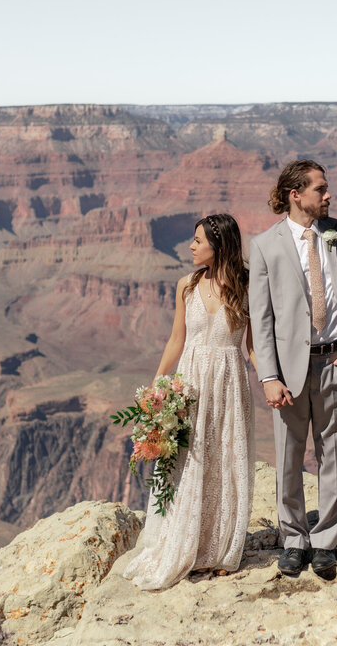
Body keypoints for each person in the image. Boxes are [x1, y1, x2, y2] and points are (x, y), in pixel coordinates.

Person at [249, 159, 337, 580]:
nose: (328, 196)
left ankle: (325, 541)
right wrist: (269, 376)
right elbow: (261, 318)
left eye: (327, 188)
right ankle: (293, 538)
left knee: (333, 454)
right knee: (288, 454)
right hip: (289, 369)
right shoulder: (266, 245)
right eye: (320, 189)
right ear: (295, 194)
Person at [122, 213, 254, 590]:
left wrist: (273, 382)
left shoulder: (247, 287)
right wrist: (156, 390)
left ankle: (220, 549)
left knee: (225, 460)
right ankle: (185, 545)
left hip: (229, 383)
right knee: (188, 460)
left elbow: (253, 347)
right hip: (191, 382)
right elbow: (176, 341)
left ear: (219, 245)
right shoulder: (186, 285)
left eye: (198, 241)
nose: (191, 247)